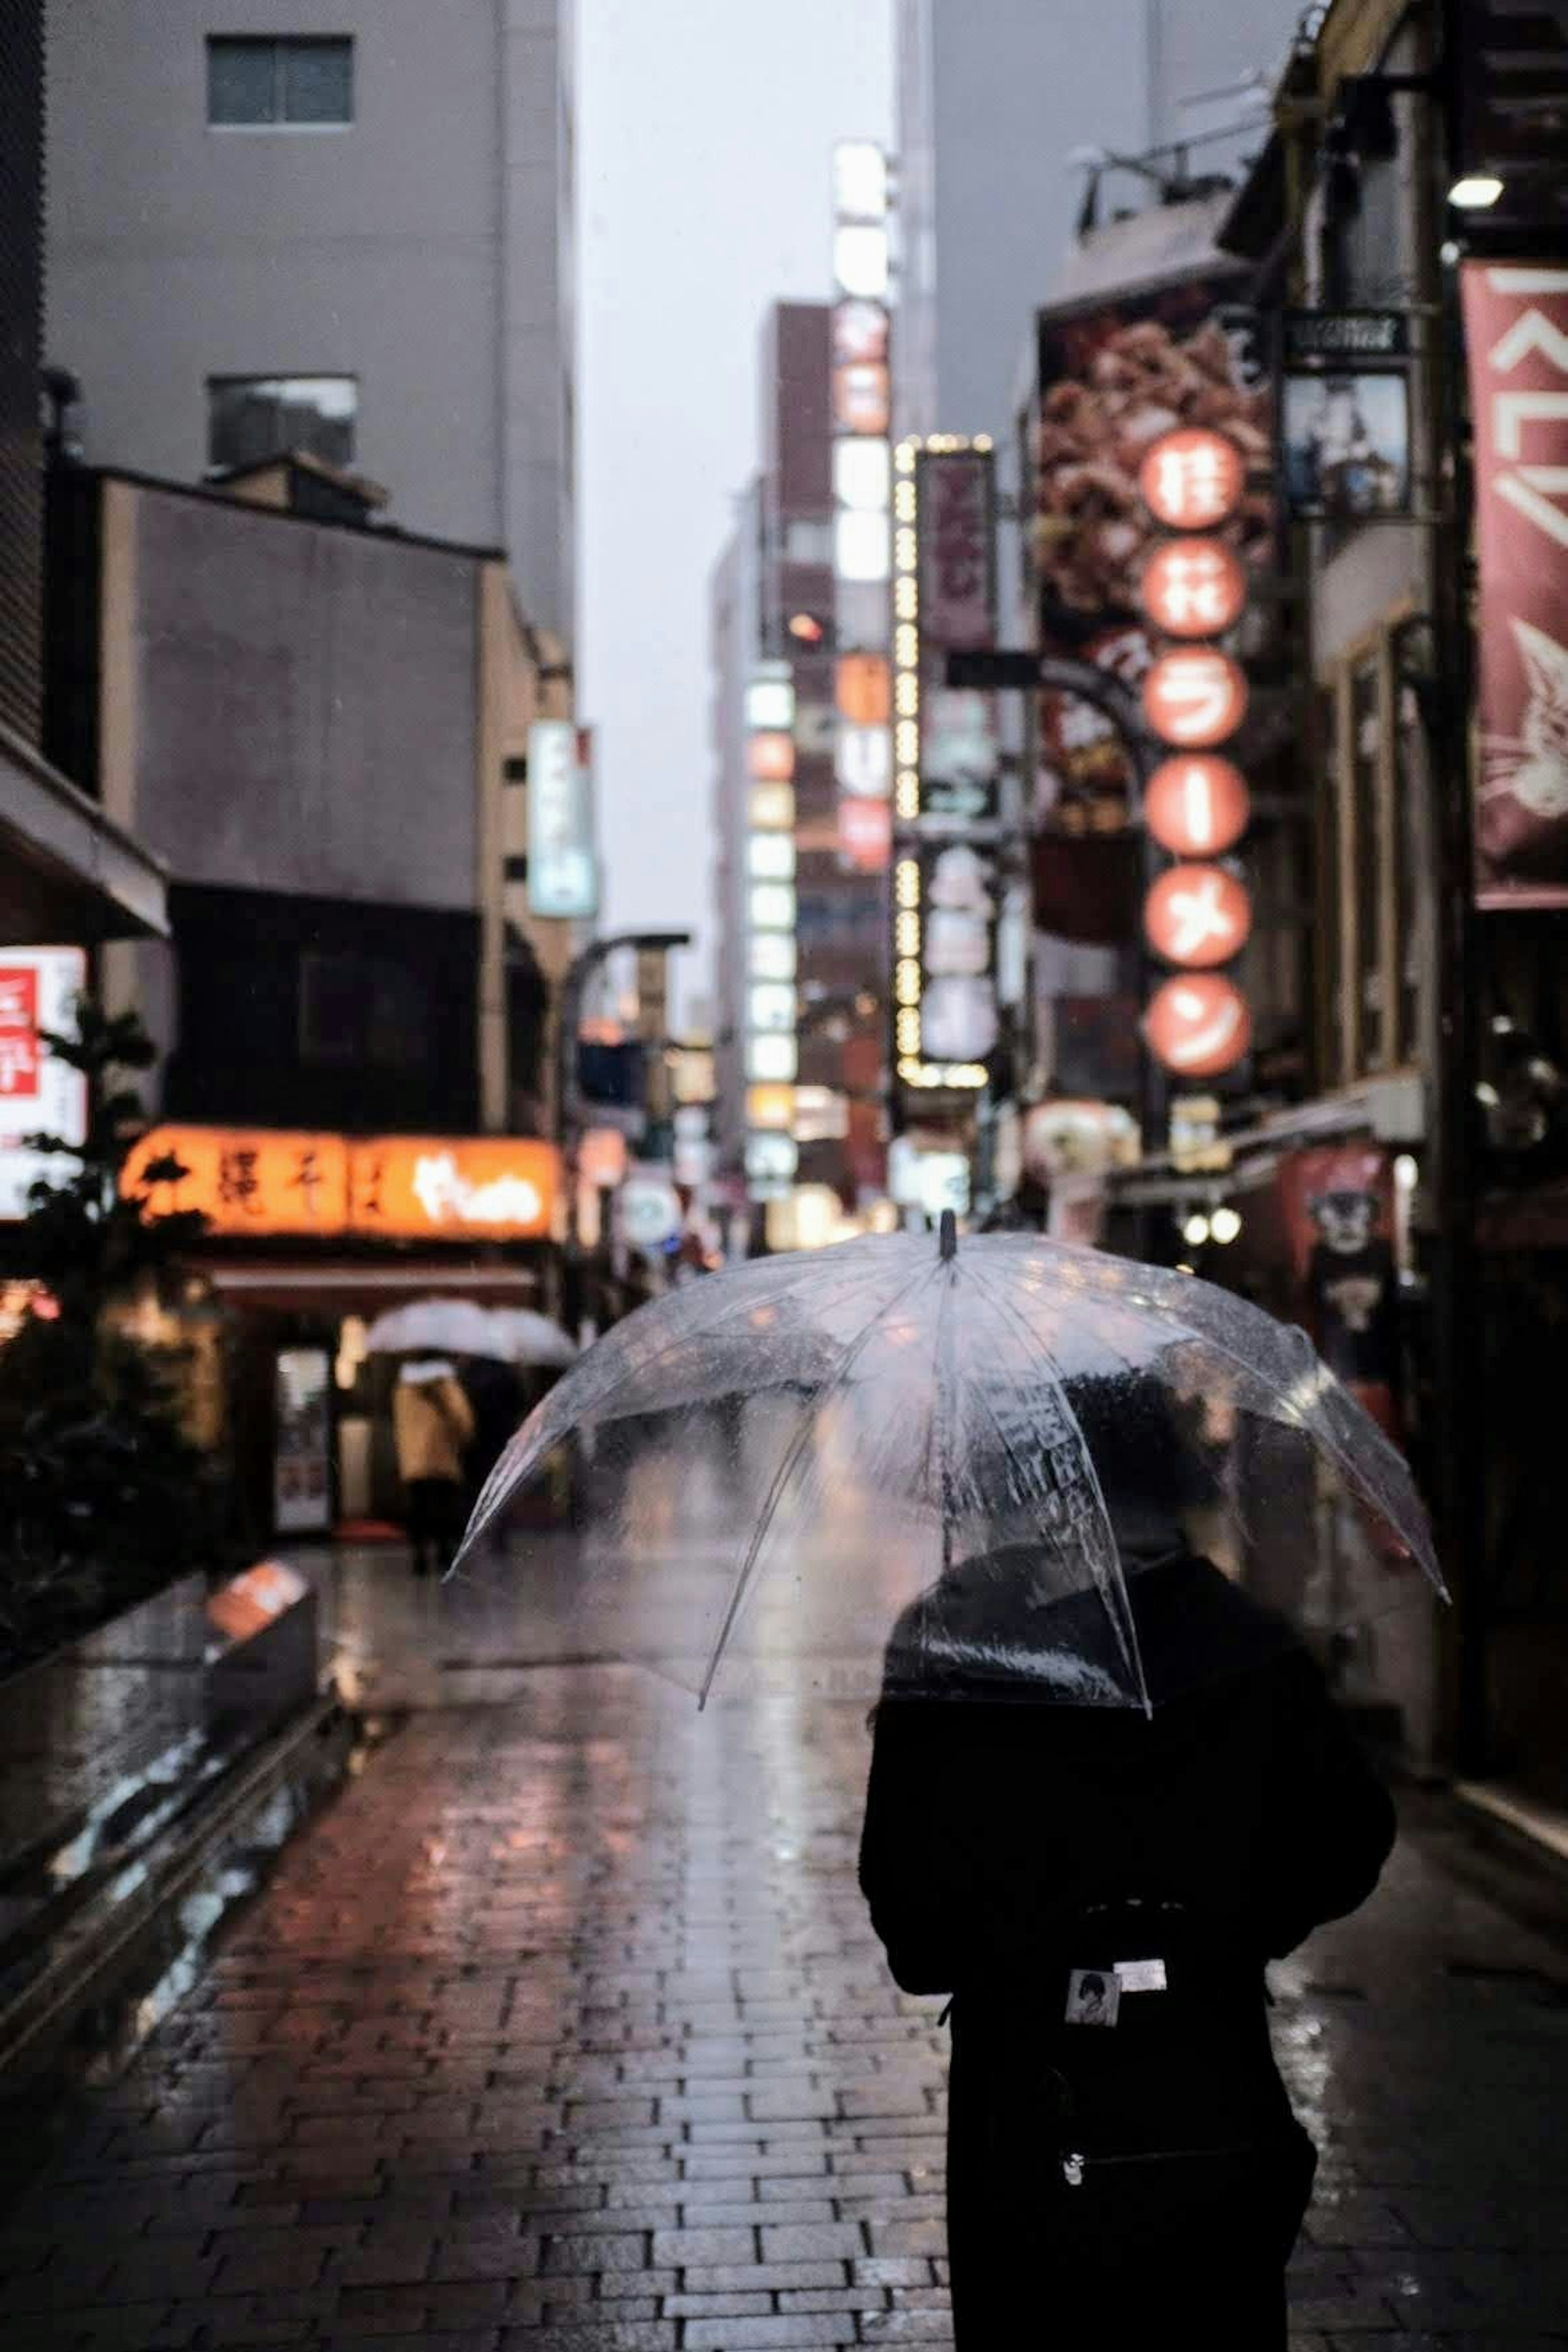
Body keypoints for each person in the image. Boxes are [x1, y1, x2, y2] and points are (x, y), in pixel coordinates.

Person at [858, 1372, 1396, 2348]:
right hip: (1207, 2073)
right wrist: (1223, 1931)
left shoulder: (952, 1646)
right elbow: (1348, 1838)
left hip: (1024, 2111)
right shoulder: (1245, 1642)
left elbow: (914, 1930)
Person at [393, 1358, 475, 1577]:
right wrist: (463, 1440)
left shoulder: (403, 1387)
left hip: (413, 1459)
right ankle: (443, 1553)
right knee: (443, 1506)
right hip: (443, 1456)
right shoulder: (446, 1385)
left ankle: (419, 1557)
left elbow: (400, 1423)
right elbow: (463, 1419)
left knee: (418, 1508)